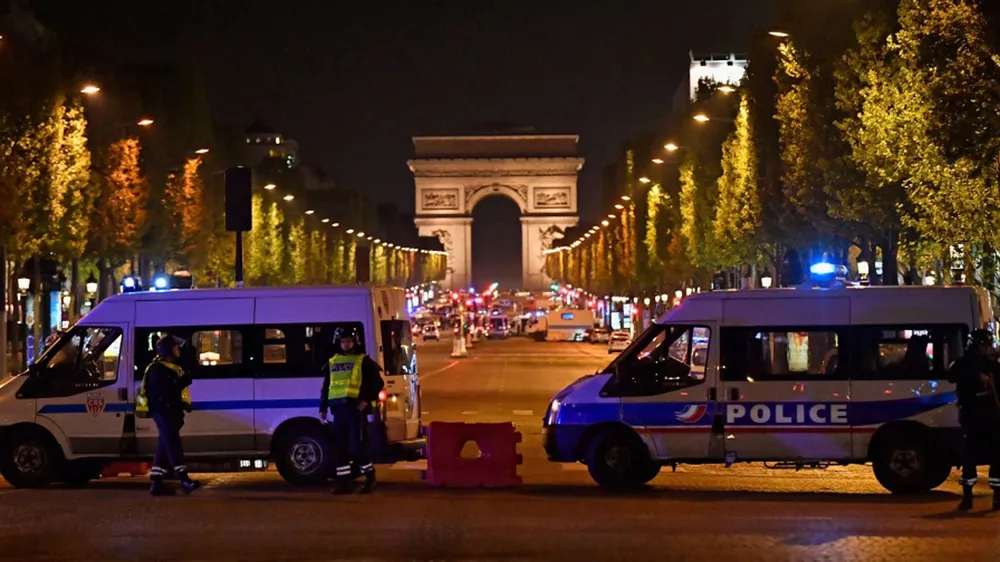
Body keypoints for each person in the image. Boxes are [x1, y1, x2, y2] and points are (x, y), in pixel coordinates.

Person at [319, 327, 384, 495]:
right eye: (343, 341)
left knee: (357, 448)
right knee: (340, 448)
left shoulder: (362, 361)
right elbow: (326, 386)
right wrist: (323, 408)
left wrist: (365, 400)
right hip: (338, 411)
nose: (345, 344)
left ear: (354, 342)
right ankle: (344, 484)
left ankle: (370, 478)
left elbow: (378, 383)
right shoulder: (332, 361)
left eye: (348, 341)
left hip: (355, 411)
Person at [140, 335, 200, 496]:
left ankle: (156, 483)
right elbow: (163, 394)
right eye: (175, 348)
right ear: (168, 351)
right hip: (163, 412)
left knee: (164, 444)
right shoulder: (157, 369)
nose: (178, 350)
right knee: (173, 444)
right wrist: (181, 383)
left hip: (168, 411)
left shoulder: (170, 367)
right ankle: (184, 479)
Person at [948, 329, 1000, 511]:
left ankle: (968, 497)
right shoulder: (990, 365)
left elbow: (951, 375)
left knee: (971, 457)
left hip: (973, 418)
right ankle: (995, 498)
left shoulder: (964, 364)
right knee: (994, 456)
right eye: (987, 345)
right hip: (988, 417)